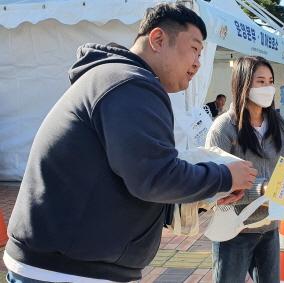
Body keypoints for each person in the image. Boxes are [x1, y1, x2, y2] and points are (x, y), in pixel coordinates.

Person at [4, 4, 257, 282]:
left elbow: (130, 180)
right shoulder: (131, 84)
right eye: (195, 49)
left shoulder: (118, 80)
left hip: (65, 263)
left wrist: (203, 194)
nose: (198, 62)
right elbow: (154, 177)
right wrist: (224, 176)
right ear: (158, 39)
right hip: (65, 270)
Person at [206, 56, 284, 283]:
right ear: (243, 83)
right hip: (234, 230)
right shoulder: (224, 127)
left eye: (270, 81)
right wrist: (262, 188)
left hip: (270, 227)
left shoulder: (279, 125)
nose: (267, 88)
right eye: (260, 81)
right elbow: (214, 182)